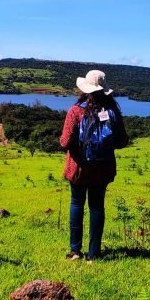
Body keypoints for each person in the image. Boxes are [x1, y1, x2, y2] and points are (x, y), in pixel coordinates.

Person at [60, 69, 128, 263]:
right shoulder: (112, 111)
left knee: (76, 204)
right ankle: (93, 254)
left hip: (78, 169)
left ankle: (75, 252)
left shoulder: (76, 111)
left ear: (85, 89)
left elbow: (64, 142)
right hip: (102, 168)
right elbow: (122, 141)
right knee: (97, 207)